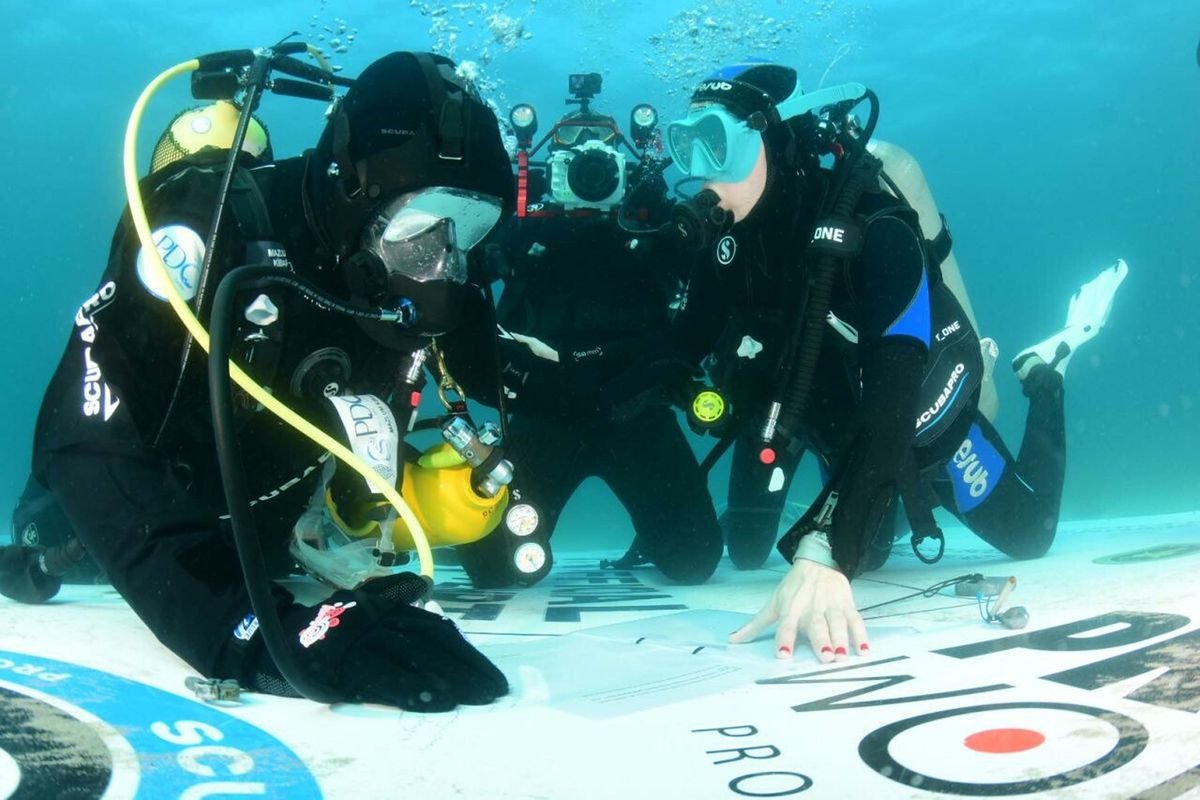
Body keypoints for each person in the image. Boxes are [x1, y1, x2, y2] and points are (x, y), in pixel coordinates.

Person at [19, 50, 521, 711]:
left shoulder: (424, 275)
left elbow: (506, 377)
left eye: (468, 231)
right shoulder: (209, 231)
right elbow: (85, 447)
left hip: (262, 534)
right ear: (354, 189)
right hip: (106, 524)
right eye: (421, 228)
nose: (444, 265)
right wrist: (258, 635)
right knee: (58, 534)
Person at [662, 61, 1128, 662]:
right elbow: (677, 351)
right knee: (779, 551)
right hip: (829, 426)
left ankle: (1044, 372)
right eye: (687, 145)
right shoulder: (727, 246)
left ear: (774, 140)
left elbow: (895, 401)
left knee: (1030, 534)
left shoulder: (877, 231)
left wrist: (824, 548)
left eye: (718, 144)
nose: (703, 172)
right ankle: (865, 507)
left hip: (921, 420)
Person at [450, 74, 724, 587]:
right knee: (492, 570)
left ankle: (656, 528)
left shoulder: (653, 223)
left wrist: (681, 231)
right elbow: (466, 286)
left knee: (695, 559)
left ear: (625, 164)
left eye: (602, 151)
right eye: (573, 151)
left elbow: (706, 292)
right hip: (545, 416)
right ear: (550, 164)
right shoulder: (523, 224)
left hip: (638, 413)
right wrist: (491, 245)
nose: (589, 165)